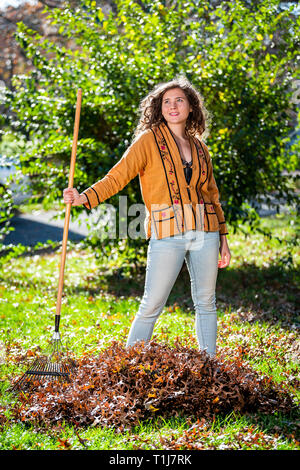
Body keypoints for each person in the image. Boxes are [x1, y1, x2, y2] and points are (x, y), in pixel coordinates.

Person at [63, 76, 231, 357]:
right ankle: (130, 365)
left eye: (179, 100)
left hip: (206, 230)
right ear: (159, 108)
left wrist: (223, 239)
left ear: (191, 107)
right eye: (166, 101)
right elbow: (118, 176)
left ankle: (208, 365)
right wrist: (84, 197)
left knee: (206, 301)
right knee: (152, 302)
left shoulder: (201, 148)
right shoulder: (148, 140)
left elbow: (212, 195)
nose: (173, 106)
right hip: (167, 233)